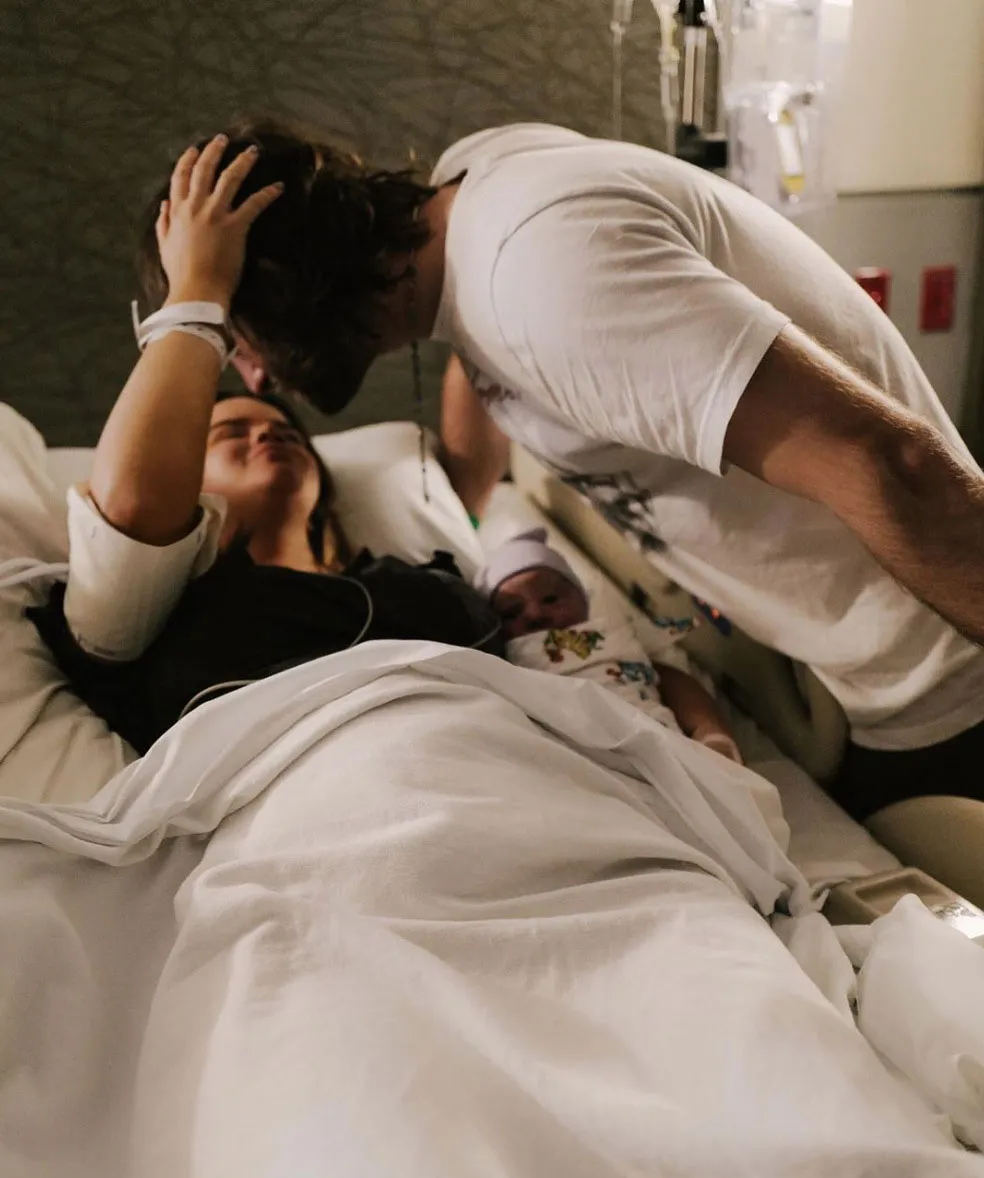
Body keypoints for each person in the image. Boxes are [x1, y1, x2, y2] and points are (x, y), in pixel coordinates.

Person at [135, 123, 984, 817]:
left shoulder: (548, 277)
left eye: (240, 341)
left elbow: (894, 464)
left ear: (290, 289)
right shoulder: (474, 195)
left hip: (938, 679)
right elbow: (490, 347)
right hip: (862, 672)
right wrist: (466, 492)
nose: (254, 379)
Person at [28, 143, 502, 753]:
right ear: (188, 482)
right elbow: (133, 505)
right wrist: (199, 288)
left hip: (507, 767)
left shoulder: (417, 582)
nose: (269, 432)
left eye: (286, 433)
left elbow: (476, 444)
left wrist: (467, 266)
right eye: (231, 434)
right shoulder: (154, 617)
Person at [478, 528, 742, 763]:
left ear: (582, 600)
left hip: (651, 737)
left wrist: (710, 733)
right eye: (511, 612)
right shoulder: (508, 664)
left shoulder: (618, 634)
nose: (535, 614)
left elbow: (672, 682)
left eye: (550, 598)